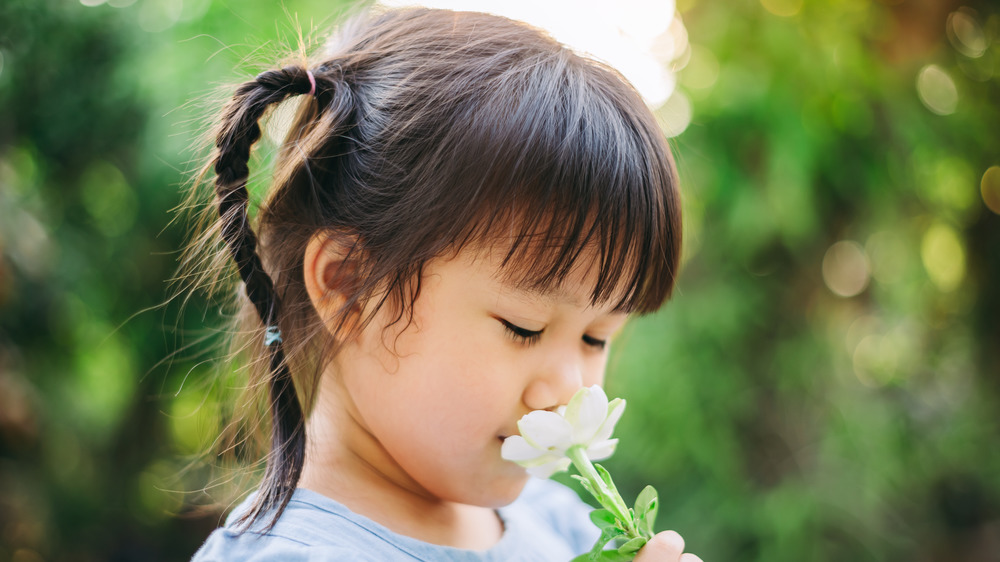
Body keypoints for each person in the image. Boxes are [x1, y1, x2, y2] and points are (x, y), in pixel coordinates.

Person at [185, 6, 700, 561]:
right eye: (524, 328)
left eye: (596, 338)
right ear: (348, 285)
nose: (569, 389)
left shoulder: (566, 528)